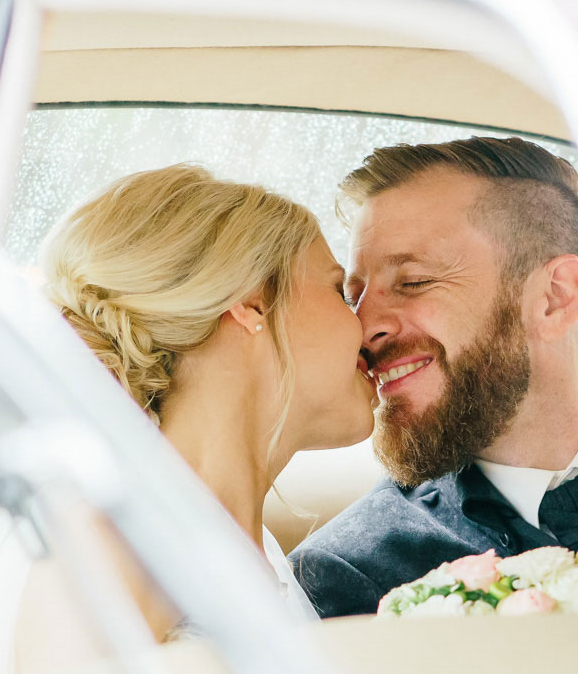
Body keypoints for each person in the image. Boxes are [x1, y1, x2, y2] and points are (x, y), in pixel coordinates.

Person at [290, 136, 578, 626]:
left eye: (413, 282)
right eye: (355, 297)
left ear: (555, 298)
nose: (364, 329)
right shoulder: (352, 579)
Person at [43, 164, 376, 621]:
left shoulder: (248, 552)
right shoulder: (115, 549)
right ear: (251, 303)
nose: (367, 324)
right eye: (338, 290)